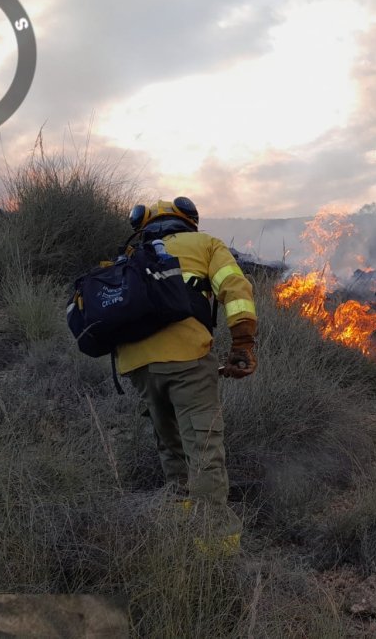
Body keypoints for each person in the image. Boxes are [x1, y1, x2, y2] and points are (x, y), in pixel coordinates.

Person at [118, 197, 257, 555]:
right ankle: (215, 548)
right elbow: (236, 289)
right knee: (204, 448)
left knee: (170, 443)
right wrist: (242, 343)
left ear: (144, 227)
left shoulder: (132, 256)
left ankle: (178, 520)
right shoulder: (205, 244)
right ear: (189, 220)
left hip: (137, 365)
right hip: (187, 358)